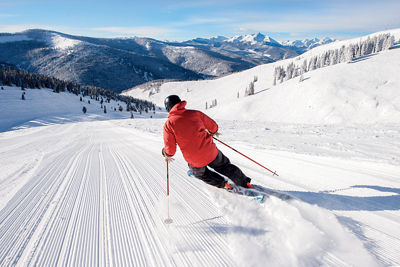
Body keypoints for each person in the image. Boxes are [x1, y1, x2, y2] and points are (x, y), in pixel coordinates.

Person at [162, 95, 253, 190]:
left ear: (168, 108)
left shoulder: (169, 125)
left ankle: (224, 184)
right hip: (211, 152)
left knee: (201, 173)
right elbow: (213, 126)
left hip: (195, 160)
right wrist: (213, 132)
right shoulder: (195, 113)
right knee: (224, 165)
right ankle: (244, 182)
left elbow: (170, 150)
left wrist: (165, 153)